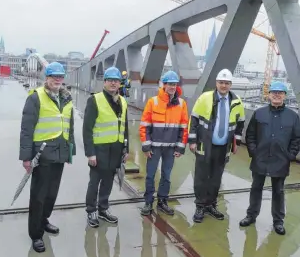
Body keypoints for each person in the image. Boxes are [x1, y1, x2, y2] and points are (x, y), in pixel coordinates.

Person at [19, 61, 76, 253]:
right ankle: (36, 235)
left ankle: (44, 221)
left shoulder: (66, 98)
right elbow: (26, 130)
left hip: (59, 153)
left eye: (60, 77)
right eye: (54, 77)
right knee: (38, 196)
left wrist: (70, 151)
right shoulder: (36, 98)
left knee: (52, 194)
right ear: (47, 78)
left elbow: (69, 126)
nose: (58, 80)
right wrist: (26, 158)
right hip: (42, 155)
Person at [239, 81, 300, 235]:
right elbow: (250, 135)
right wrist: (254, 152)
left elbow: (296, 138)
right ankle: (251, 215)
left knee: (278, 191)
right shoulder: (259, 113)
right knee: (256, 188)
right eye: (274, 92)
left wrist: (290, 156)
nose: (276, 95)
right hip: (260, 158)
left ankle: (278, 221)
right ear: (268, 95)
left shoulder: (292, 117)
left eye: (280, 93)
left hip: (280, 160)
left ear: (285, 96)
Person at [188, 68, 245, 223]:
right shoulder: (205, 98)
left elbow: (240, 124)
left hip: (223, 147)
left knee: (216, 178)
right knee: (201, 177)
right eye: (221, 82)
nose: (224, 86)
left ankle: (211, 205)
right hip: (204, 145)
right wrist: (192, 141)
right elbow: (193, 120)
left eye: (227, 83)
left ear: (231, 84)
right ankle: (200, 206)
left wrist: (236, 143)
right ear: (216, 83)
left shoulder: (237, 101)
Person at [83, 66, 129, 228]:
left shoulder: (122, 101)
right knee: (94, 181)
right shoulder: (94, 100)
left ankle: (103, 208)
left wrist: (126, 149)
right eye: (110, 80)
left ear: (119, 83)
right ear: (104, 83)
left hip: (115, 150)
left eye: (116, 81)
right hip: (99, 150)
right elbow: (87, 129)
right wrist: (90, 153)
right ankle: (91, 210)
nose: (113, 83)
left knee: (108, 181)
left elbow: (125, 127)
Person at [139, 71, 189, 216]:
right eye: (170, 84)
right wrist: (146, 146)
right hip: (154, 147)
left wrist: (180, 147)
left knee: (166, 176)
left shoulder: (181, 103)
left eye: (174, 84)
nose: (172, 87)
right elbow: (144, 125)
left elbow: (184, 127)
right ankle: (148, 202)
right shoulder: (153, 102)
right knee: (150, 175)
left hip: (170, 148)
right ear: (164, 85)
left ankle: (162, 202)